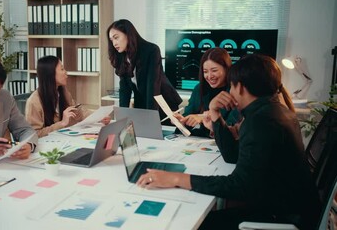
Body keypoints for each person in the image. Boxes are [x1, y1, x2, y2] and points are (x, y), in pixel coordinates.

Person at [136, 54, 321, 230]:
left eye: (231, 86)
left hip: (281, 216)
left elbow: (239, 186)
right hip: (288, 206)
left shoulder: (261, 121)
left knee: (193, 222)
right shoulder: (272, 111)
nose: (230, 91)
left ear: (239, 87)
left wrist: (176, 178)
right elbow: (232, 156)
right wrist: (215, 115)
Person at [107, 19, 182, 123]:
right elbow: (124, 90)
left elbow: (153, 85)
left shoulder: (151, 50)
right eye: (112, 40)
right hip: (142, 102)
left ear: (128, 34)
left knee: (163, 135)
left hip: (163, 102)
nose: (114, 43)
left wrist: (150, 117)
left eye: (116, 37)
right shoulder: (122, 57)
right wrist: (121, 118)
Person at [25, 56, 111, 138]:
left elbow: (79, 112)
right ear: (50, 74)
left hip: (63, 139)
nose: (66, 72)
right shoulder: (34, 102)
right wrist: (62, 123)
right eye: (62, 69)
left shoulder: (62, 91)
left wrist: (99, 117)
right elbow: (34, 135)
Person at [174, 47, 240, 137]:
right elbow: (189, 116)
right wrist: (182, 122)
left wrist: (202, 118)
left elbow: (232, 128)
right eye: (205, 71)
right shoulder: (199, 89)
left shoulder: (236, 91)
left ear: (226, 69)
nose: (209, 76)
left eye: (214, 70)